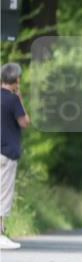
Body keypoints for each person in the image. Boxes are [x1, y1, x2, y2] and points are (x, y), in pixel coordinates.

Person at [1, 63, 30, 249]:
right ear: (16, 80)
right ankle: (0, 234)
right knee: (3, 194)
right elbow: (25, 122)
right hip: (6, 153)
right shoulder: (13, 99)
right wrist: (20, 97)